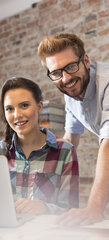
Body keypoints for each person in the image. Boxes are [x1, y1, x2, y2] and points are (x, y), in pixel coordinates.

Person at [38, 32, 109, 226]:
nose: (66, 78)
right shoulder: (70, 93)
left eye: (71, 66)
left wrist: (94, 208)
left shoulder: (107, 81)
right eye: (56, 73)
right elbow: (70, 140)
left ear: (86, 60)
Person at [0, 77, 79, 215]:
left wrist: (45, 208)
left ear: (39, 107)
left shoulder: (65, 151)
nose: (17, 115)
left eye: (24, 105)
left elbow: (71, 211)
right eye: (9, 109)